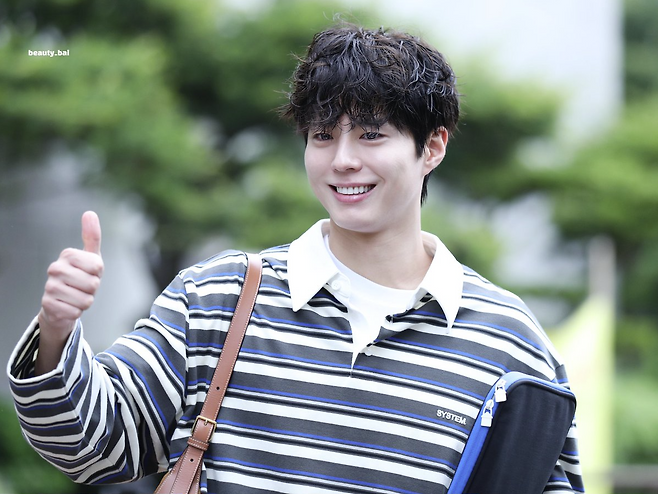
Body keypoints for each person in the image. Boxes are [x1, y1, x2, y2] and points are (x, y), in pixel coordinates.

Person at [7, 23, 585, 493]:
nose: (342, 160)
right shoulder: (217, 298)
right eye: (322, 135)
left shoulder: (510, 342)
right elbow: (92, 447)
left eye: (371, 135)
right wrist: (56, 332)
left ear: (432, 146)